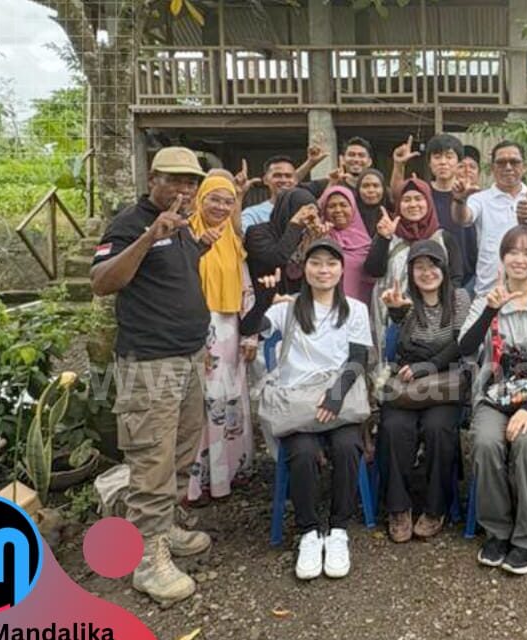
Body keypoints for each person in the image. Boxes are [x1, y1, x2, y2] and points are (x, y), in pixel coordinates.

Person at [90, 146, 212, 605]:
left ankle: (167, 529)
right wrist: (147, 237)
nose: (184, 189)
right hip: (148, 365)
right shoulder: (130, 224)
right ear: (152, 180)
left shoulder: (182, 225)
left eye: (191, 182)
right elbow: (102, 282)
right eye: (175, 180)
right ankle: (147, 559)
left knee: (181, 450)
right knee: (151, 459)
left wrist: (197, 247)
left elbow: (165, 282)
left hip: (187, 357)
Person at [460, 226, 527, 575]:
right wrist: (489, 312)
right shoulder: (485, 299)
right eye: (513, 252)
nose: (520, 260)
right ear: (503, 256)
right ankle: (497, 530)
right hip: (494, 395)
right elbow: (465, 349)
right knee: (487, 441)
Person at [264, 238, 373, 582]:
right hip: (297, 402)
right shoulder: (287, 308)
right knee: (303, 452)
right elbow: (253, 330)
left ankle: (338, 529)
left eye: (331, 263)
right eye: (316, 263)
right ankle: (309, 531)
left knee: (346, 446)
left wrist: (335, 397)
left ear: (342, 270)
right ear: (304, 269)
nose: (323, 270)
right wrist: (259, 301)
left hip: (337, 401)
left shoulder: (355, 309)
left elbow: (358, 359)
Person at [375, 240, 471, 543]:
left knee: (438, 428)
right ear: (411, 272)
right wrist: (397, 313)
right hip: (408, 381)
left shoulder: (459, 298)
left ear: (443, 268)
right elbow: (399, 339)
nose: (427, 272)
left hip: (444, 382)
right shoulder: (404, 300)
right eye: (419, 267)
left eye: (432, 265)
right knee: (393, 427)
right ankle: (398, 508)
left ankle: (435, 507)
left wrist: (428, 366)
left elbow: (460, 344)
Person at [185, 175, 259, 505]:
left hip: (231, 329)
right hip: (198, 329)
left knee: (231, 401)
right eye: (214, 199)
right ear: (200, 199)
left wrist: (252, 332)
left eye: (228, 201)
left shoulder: (233, 240)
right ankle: (198, 483)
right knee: (201, 407)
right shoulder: (185, 235)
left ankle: (230, 473)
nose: (221, 207)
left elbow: (246, 289)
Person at [366, 177, 466, 340]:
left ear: (428, 202)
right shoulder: (389, 233)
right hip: (391, 314)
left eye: (419, 198)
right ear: (399, 204)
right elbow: (373, 270)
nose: (413, 204)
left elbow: (455, 278)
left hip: (434, 319)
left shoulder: (443, 238)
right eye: (406, 200)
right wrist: (383, 238)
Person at [453, 141, 527, 298]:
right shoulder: (480, 199)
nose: (508, 167)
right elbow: (463, 219)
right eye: (501, 162)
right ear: (492, 169)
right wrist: (459, 201)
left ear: (525, 167)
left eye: (514, 162)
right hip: (488, 292)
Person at [392, 134, 478, 289]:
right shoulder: (421, 196)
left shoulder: (473, 195)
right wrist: (399, 166)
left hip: (468, 276)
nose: (443, 162)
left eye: (449, 157)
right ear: (430, 163)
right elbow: (397, 194)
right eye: (437, 157)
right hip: (428, 276)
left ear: (458, 163)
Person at [318, 185, 376, 303]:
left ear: (353, 208)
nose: (338, 210)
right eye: (332, 206)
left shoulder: (366, 243)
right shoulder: (317, 238)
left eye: (344, 205)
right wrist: (320, 239)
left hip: (360, 309)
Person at [240, 156, 298, 232]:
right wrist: (239, 195)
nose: (284, 180)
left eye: (288, 176)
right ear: (265, 180)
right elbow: (239, 236)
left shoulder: (308, 211)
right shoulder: (253, 214)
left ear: (296, 180)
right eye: (277, 175)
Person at [355, 168, 392, 238]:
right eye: (365, 186)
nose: (371, 190)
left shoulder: (393, 217)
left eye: (376, 186)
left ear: (384, 189)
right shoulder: (350, 218)